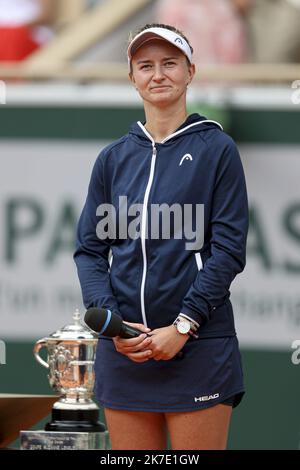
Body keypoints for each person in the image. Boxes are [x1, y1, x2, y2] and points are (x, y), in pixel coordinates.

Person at [74, 23, 249, 450]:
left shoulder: (217, 149)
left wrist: (183, 326)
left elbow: (228, 252)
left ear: (191, 71)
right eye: (145, 66)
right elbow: (90, 251)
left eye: (170, 63)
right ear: (132, 77)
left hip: (197, 345)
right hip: (125, 352)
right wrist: (115, 327)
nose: (158, 75)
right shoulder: (113, 158)